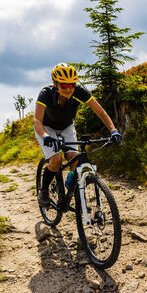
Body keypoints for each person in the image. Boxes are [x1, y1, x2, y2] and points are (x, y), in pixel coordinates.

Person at [33, 63, 122, 206]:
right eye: (63, 86)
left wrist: (113, 130)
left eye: (72, 85)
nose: (68, 89)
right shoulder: (46, 93)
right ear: (55, 84)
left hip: (67, 126)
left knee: (75, 160)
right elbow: (37, 120)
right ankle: (43, 190)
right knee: (56, 159)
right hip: (46, 127)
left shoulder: (79, 92)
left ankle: (72, 183)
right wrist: (45, 136)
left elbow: (100, 112)